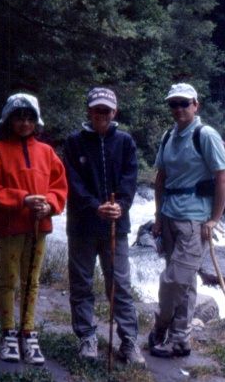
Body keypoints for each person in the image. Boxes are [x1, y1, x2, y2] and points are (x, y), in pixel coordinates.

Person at [0, 92, 68, 365]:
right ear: (9, 120)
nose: (24, 123)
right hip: (10, 227)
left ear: (36, 121)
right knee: (9, 279)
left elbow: (59, 187)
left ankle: (28, 332)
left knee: (32, 280)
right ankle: (8, 332)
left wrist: (50, 205)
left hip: (38, 227)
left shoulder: (47, 152)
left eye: (29, 118)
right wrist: (22, 199)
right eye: (19, 117)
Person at [63, 87, 145, 366]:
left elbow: (130, 178)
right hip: (82, 225)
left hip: (115, 226)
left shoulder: (125, 142)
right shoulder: (74, 142)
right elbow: (71, 182)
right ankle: (87, 337)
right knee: (82, 283)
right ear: (89, 111)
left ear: (115, 112)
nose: (102, 115)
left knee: (120, 284)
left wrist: (120, 204)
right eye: (97, 109)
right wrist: (93, 205)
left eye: (107, 110)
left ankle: (129, 342)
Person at [149, 82, 225, 358]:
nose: (179, 108)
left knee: (173, 280)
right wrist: (158, 217)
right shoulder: (168, 136)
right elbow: (160, 178)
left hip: (195, 221)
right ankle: (181, 339)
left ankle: (160, 327)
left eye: (185, 103)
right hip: (170, 217)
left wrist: (214, 219)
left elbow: (223, 177)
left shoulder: (205, 135)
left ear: (196, 105)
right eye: (174, 103)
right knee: (185, 282)